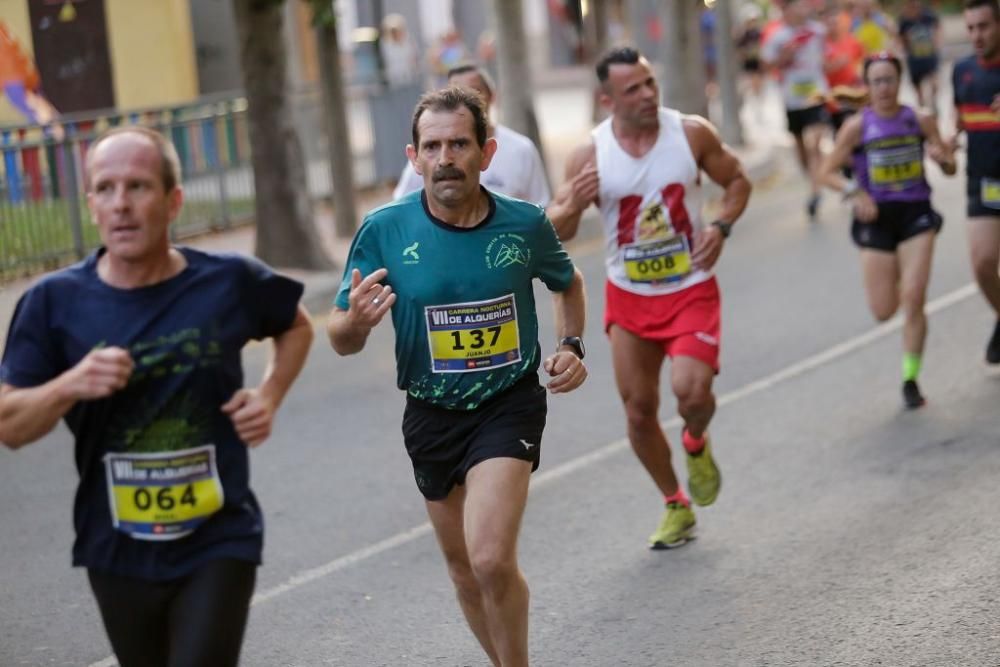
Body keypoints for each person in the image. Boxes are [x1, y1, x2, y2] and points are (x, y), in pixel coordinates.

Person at [0, 126, 313, 666]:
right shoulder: (53, 304)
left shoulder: (228, 281)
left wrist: (269, 394)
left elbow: (297, 325)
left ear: (173, 202)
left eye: (138, 186)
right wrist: (70, 383)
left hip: (218, 534)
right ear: (91, 204)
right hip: (117, 544)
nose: (121, 204)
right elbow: (11, 424)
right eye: (105, 188)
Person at [328, 87, 587, 667]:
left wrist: (571, 343)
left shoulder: (524, 225)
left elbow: (567, 282)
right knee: (465, 572)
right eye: (433, 145)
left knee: (491, 557)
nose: (446, 157)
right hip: (430, 412)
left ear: (486, 153)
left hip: (508, 402)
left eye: (459, 144)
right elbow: (340, 338)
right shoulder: (384, 232)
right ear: (413, 157)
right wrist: (358, 325)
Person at [549, 47, 752, 550]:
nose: (646, 94)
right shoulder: (589, 155)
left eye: (649, 83)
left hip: (689, 289)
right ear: (607, 99)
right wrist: (573, 203)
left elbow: (737, 180)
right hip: (630, 296)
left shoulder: (691, 133)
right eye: (632, 88)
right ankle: (675, 504)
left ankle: (695, 441)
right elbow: (558, 229)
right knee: (639, 411)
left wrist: (722, 226)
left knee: (692, 392)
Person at [819, 53, 956, 408]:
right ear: (867, 86)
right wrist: (854, 193)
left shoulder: (919, 120)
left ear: (900, 82)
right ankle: (893, 272)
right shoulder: (857, 127)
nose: (883, 88)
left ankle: (910, 378)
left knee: (914, 296)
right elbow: (827, 171)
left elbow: (950, 165)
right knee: (883, 309)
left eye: (889, 80)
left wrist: (944, 160)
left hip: (915, 214)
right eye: (876, 81)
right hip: (875, 219)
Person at [393, 63, 551, 207]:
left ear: (486, 153)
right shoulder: (428, 156)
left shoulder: (521, 149)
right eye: (457, 93)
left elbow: (540, 209)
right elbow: (400, 205)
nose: (445, 158)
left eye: (475, 91)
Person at [949, 0, 1000, 363]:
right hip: (984, 180)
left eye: (984, 26)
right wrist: (945, 149)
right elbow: (959, 123)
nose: (976, 36)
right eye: (970, 28)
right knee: (983, 263)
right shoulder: (962, 70)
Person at [762, 0, 830, 220]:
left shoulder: (818, 31)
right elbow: (767, 66)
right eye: (797, 6)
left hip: (816, 95)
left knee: (814, 144)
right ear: (786, 9)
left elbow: (827, 56)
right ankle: (812, 178)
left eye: (804, 5)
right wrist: (785, 57)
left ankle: (815, 191)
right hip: (792, 99)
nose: (803, 9)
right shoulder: (777, 36)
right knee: (801, 148)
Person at [898, 0, 942, 111]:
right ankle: (922, 109)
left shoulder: (928, 15)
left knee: (935, 83)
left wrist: (936, 42)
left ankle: (933, 103)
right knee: (918, 89)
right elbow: (900, 37)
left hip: (929, 55)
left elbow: (937, 27)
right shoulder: (904, 20)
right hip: (914, 58)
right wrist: (905, 49)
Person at [380, 13, 421, 87]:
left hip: (410, 77)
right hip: (394, 78)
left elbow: (415, 57)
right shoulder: (386, 44)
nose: (396, 32)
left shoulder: (409, 41)